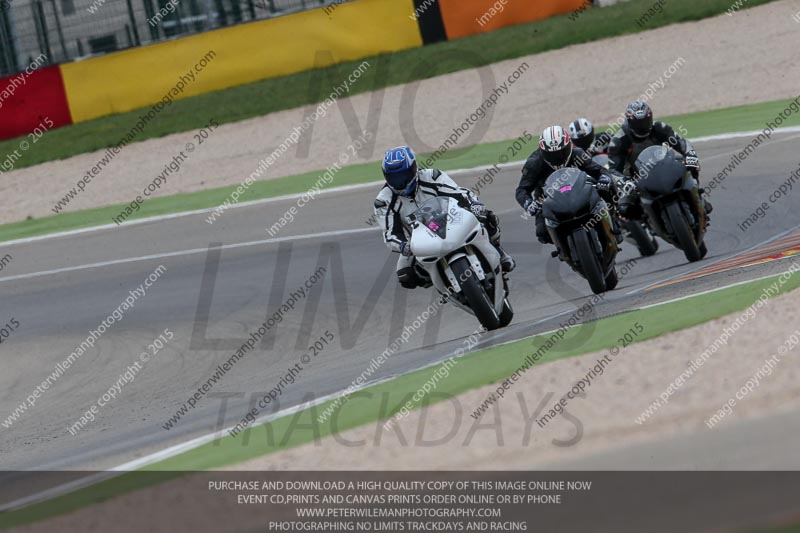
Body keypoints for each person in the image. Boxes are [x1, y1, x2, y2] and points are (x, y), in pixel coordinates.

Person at [374, 146, 515, 289]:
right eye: (394, 178)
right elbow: (390, 234)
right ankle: (444, 283)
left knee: (487, 217)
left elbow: (459, 193)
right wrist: (403, 245)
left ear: (414, 168)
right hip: (417, 242)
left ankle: (499, 251)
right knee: (405, 276)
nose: (400, 182)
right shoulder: (383, 201)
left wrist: (473, 205)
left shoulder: (432, 176)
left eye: (404, 175)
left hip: (451, 220)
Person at [515, 126, 620, 245]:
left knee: (606, 187)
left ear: (568, 146)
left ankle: (613, 220)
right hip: (547, 199)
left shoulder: (577, 153)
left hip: (580, 189)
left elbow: (599, 170)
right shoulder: (534, 163)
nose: (557, 158)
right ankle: (563, 249)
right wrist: (528, 203)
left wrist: (604, 178)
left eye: (561, 152)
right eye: (551, 155)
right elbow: (522, 190)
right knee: (542, 233)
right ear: (542, 151)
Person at [608, 101, 712, 218]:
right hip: (636, 178)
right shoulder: (619, 140)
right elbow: (613, 170)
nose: (642, 126)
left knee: (691, 166)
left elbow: (681, 143)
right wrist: (623, 181)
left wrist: (690, 155)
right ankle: (646, 222)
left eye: (646, 121)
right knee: (624, 209)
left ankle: (697, 196)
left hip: (664, 165)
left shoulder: (659, 127)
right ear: (629, 122)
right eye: (638, 123)